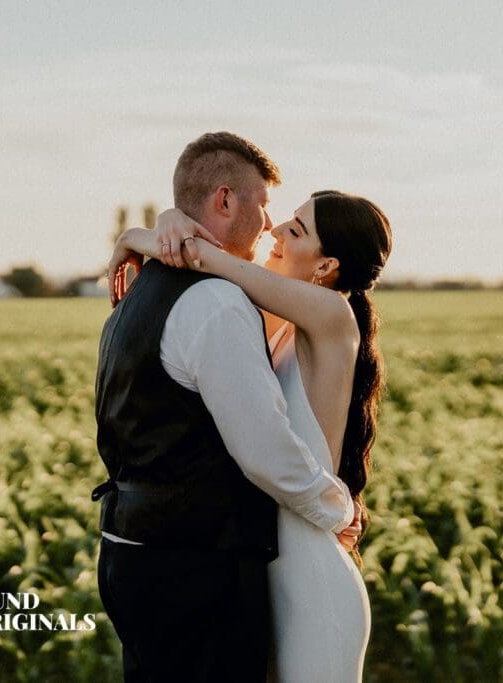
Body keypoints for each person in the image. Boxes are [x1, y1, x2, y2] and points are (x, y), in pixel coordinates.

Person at [93, 131, 362, 682]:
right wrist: (152, 230)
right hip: (209, 565)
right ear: (223, 200)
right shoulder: (227, 306)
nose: (272, 228)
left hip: (183, 554)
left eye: (294, 226)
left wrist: (154, 232)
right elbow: (263, 450)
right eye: (269, 210)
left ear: (327, 264)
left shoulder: (323, 318)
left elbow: (222, 270)